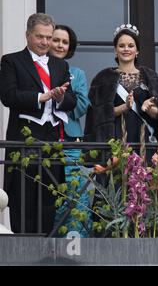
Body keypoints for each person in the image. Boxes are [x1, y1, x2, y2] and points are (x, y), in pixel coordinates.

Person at [0, 13, 77, 234]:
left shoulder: (60, 65)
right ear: (27, 35)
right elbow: (8, 95)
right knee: (22, 202)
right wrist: (40, 97)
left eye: (49, 37)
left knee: (48, 201)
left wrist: (61, 96)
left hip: (50, 143)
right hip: (23, 141)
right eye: (39, 37)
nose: (45, 42)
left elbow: (71, 101)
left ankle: (44, 254)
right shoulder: (12, 61)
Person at [84, 24, 158, 146]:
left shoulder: (151, 77)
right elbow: (96, 115)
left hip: (145, 141)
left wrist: (151, 110)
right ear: (115, 50)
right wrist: (124, 107)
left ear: (137, 51)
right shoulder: (102, 78)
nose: (126, 49)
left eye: (131, 46)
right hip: (114, 143)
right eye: (121, 46)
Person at [48, 24, 92, 237]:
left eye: (64, 42)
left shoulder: (77, 74)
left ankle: (77, 249)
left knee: (76, 200)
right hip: (45, 141)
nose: (60, 45)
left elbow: (82, 106)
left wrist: (64, 96)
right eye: (56, 40)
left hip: (71, 142)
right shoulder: (38, 69)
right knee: (49, 200)